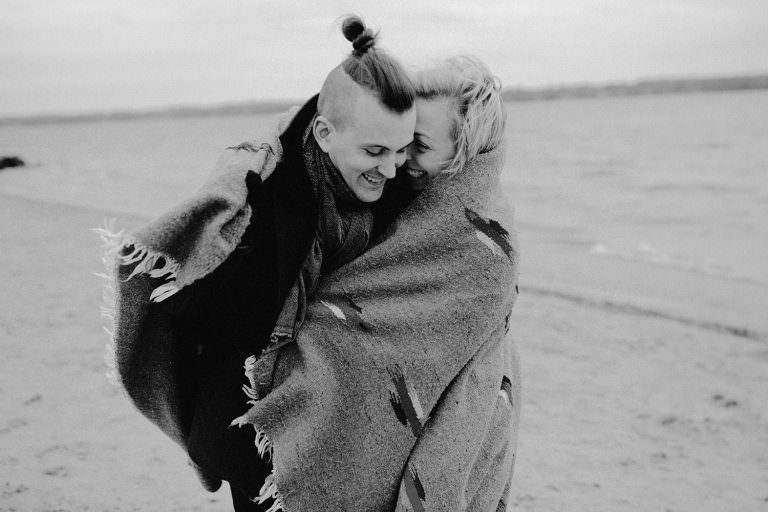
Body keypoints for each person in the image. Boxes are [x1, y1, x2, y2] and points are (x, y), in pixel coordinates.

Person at [97, 15, 416, 512]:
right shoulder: (266, 206)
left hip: (320, 417)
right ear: (325, 133)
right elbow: (188, 304)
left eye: (402, 150)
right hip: (245, 426)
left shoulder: (388, 188)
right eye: (375, 151)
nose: (391, 168)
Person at [227, 54, 520, 511]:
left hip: (377, 440)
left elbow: (447, 366)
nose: (402, 162)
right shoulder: (387, 195)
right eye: (398, 144)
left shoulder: (486, 246)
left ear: (464, 153)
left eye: (417, 146)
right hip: (285, 421)